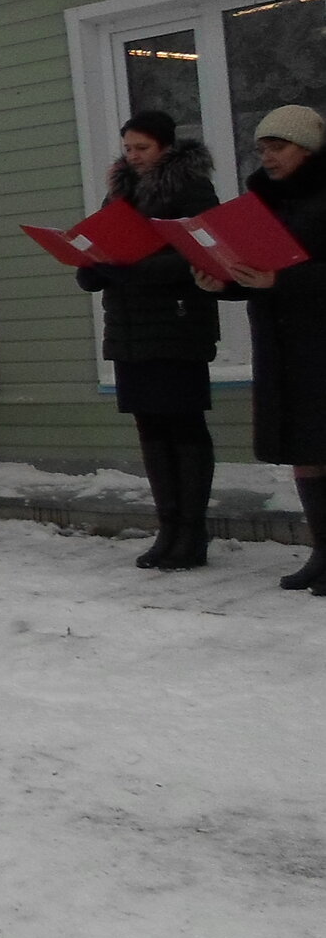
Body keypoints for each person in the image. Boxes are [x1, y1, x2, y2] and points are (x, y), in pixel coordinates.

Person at [74, 112, 221, 570]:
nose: (133, 157)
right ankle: (168, 527)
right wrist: (89, 262)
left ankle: (192, 533)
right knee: (151, 429)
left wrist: (129, 268)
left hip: (177, 326)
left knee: (183, 426)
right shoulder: (119, 193)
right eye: (128, 149)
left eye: (142, 148)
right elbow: (101, 244)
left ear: (165, 147)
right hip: (129, 329)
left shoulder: (190, 188)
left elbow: (198, 255)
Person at [194, 105, 326, 592]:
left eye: (278, 147)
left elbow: (285, 275)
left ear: (307, 148)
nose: (267, 157)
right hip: (281, 341)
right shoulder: (266, 203)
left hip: (319, 341)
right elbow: (257, 273)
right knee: (304, 449)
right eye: (261, 149)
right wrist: (221, 281)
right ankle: (322, 550)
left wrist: (282, 279)